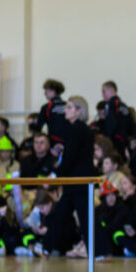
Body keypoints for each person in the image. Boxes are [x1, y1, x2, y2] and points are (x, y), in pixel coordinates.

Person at [43, 95, 95, 256]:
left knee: (84, 217)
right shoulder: (79, 129)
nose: (65, 110)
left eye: (70, 107)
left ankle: (99, 250)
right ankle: (47, 246)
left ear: (79, 111)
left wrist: (55, 175)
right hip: (75, 181)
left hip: (78, 180)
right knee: (61, 214)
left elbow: (70, 157)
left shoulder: (76, 129)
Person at [30, 79, 70, 147]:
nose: (44, 94)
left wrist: (31, 123)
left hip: (54, 142)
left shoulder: (46, 107)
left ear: (53, 91)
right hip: (69, 141)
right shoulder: (68, 105)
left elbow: (38, 127)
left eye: (46, 92)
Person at [100, 80, 135, 153]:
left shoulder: (112, 105)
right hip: (124, 140)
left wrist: (107, 140)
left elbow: (110, 125)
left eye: (104, 91)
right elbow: (131, 124)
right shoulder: (123, 106)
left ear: (112, 90)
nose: (102, 94)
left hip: (115, 142)